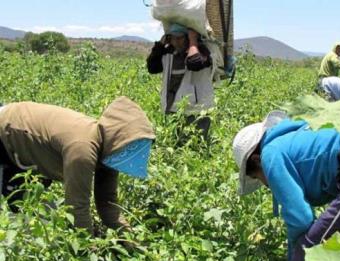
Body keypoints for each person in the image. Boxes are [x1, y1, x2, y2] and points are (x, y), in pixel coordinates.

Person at [232, 111, 340, 261]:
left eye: (258, 177)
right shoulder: (296, 135)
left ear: (256, 160)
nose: (265, 185)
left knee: (309, 256)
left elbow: (300, 219)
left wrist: (294, 258)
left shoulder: (270, 154)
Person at [0, 96, 155, 234]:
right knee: (37, 224)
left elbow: (107, 202)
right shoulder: (82, 149)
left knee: (44, 218)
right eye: (130, 147)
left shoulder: (109, 152)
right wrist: (87, 251)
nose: (129, 154)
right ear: (117, 138)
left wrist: (129, 237)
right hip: (6, 132)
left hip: (23, 147)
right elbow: (77, 207)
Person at [146, 23, 214, 142]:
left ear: (187, 37)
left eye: (180, 38)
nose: (176, 42)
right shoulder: (168, 53)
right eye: (173, 38)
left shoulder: (202, 51)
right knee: (176, 146)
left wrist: (193, 42)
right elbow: (152, 67)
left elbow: (195, 63)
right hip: (174, 110)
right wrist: (160, 45)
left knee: (195, 148)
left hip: (197, 112)